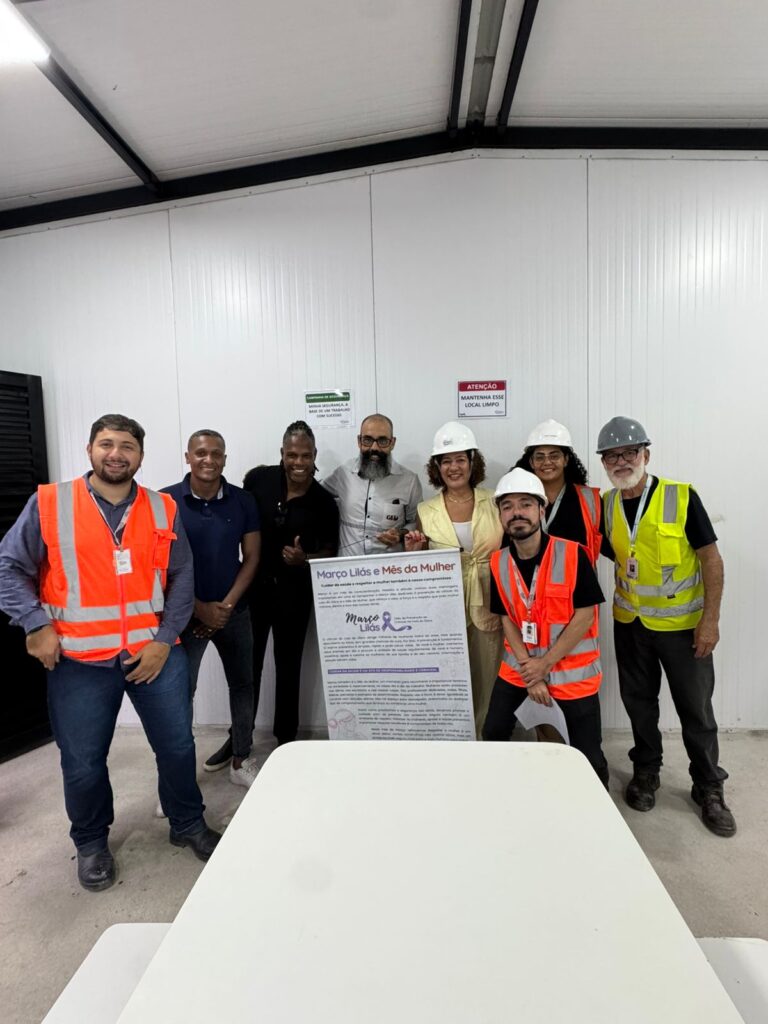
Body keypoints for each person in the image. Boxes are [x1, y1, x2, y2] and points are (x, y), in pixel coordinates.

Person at [0, 414, 220, 892]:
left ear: (140, 455)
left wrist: (164, 640)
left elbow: (181, 576)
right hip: (79, 660)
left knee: (178, 746)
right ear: (90, 450)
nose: (116, 454)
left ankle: (186, 823)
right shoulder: (51, 503)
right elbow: (10, 565)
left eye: (127, 446)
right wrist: (35, 623)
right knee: (83, 760)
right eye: (106, 444)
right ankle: (91, 842)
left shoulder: (162, 507)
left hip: (154, 654)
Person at [597, 416, 735, 836]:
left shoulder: (681, 496)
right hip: (631, 623)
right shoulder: (606, 504)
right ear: (603, 463)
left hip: (683, 628)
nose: (622, 461)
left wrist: (710, 621)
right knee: (639, 703)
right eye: (612, 456)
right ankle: (647, 771)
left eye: (630, 452)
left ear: (646, 454)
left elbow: (711, 559)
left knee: (696, 709)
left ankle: (709, 786)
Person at [482, 468, 609, 786]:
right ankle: (504, 790)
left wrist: (545, 665)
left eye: (525, 504)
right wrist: (531, 670)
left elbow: (585, 616)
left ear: (542, 510)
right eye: (507, 506)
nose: (516, 513)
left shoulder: (574, 554)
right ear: (500, 516)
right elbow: (506, 618)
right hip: (520, 667)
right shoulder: (498, 562)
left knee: (588, 754)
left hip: (571, 673)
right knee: (493, 732)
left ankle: (595, 804)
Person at [162, 430, 261, 785]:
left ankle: (240, 760)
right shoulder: (164, 501)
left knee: (243, 685)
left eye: (216, 453)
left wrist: (225, 608)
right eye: (201, 453)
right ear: (187, 457)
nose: (209, 459)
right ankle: (179, 779)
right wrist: (198, 609)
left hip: (234, 611)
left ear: (224, 459)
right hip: (184, 616)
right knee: (179, 693)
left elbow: (252, 557)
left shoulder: (243, 501)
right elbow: (158, 566)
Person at [241, 421, 339, 746]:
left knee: (288, 668)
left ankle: (286, 740)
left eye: (305, 456)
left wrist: (304, 558)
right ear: (282, 453)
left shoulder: (324, 501)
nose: (298, 462)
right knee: (247, 668)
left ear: (314, 455)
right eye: (292, 455)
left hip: (294, 595)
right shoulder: (259, 480)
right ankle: (239, 737)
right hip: (254, 590)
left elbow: (331, 551)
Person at [404, 421, 503, 734]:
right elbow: (420, 568)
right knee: (451, 679)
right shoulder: (426, 510)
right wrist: (414, 550)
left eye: (460, 459)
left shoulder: (495, 501)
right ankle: (455, 739)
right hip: (445, 610)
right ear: (437, 467)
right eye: (446, 461)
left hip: (490, 602)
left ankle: (486, 741)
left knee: (490, 678)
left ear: (473, 462)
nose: (454, 467)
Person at [322, 413, 422, 556]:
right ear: (359, 441)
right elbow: (316, 494)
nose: (374, 448)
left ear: (392, 443)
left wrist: (400, 534)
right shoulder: (343, 474)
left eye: (382, 441)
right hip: (348, 566)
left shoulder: (409, 481)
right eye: (367, 440)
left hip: (388, 567)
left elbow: (415, 523)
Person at [511, 419, 601, 563]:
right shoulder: (519, 500)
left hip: (580, 576)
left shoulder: (589, 499)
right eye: (540, 457)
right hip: (531, 576)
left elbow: (612, 546)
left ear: (566, 460)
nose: (547, 462)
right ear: (531, 462)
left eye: (554, 456)